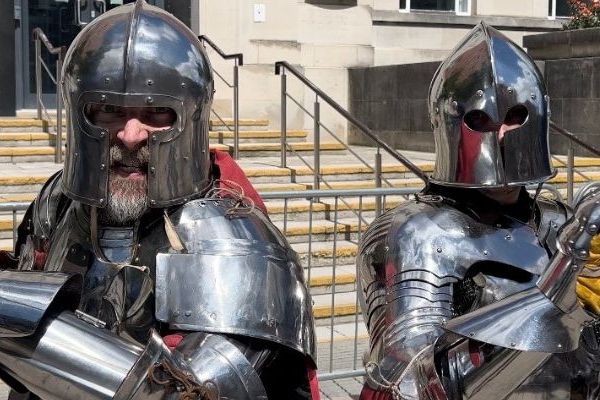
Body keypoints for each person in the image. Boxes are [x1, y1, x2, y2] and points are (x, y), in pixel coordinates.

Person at [0, 1, 318, 399]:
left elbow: (185, 391)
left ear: (191, 117)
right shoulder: (56, 203)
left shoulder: (230, 236)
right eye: (108, 111)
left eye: (155, 114)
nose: (130, 135)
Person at [357, 22, 600, 399]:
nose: (501, 134)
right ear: (451, 126)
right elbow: (407, 381)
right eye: (481, 120)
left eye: (516, 117)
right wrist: (555, 291)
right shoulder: (418, 233)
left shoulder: (560, 220)